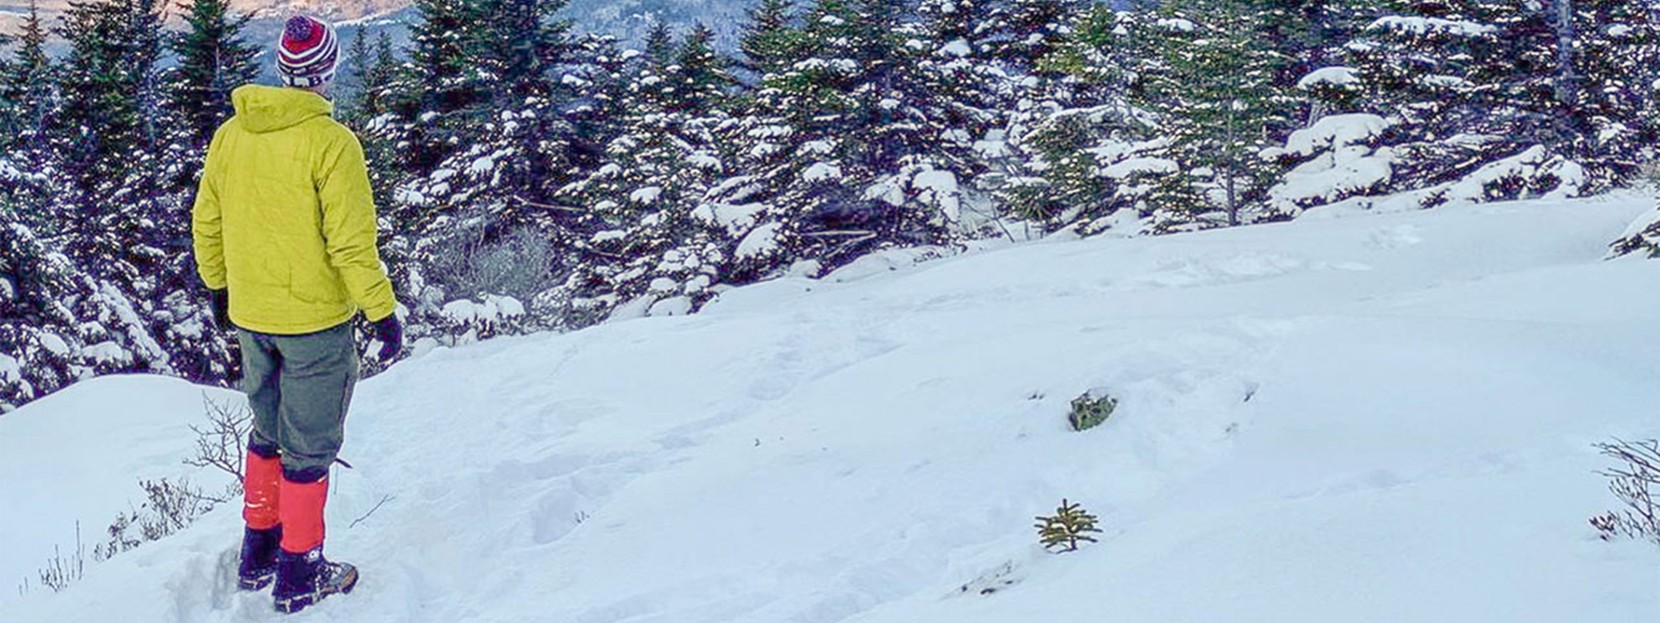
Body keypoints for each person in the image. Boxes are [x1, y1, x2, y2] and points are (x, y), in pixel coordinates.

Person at [191, 14, 402, 615]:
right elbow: (351, 245)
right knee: (308, 448)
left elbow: (206, 219)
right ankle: (300, 570)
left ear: (283, 70)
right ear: (327, 71)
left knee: (266, 431)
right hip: (314, 323)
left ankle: (257, 552)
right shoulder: (332, 144)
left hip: (252, 315)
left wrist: (218, 285)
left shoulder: (233, 135)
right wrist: (381, 311)